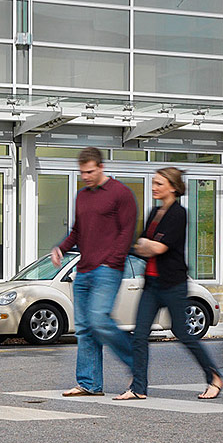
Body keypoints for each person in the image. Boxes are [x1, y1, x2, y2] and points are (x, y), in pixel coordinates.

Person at [119, 167, 223, 400]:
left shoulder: (179, 214)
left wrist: (148, 244)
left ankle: (214, 376)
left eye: (159, 183)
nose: (154, 187)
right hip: (152, 284)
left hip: (173, 283)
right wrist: (146, 245)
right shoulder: (154, 213)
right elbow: (142, 247)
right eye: (154, 183)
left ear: (173, 187)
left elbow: (157, 247)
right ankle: (138, 388)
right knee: (139, 335)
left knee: (182, 332)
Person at [54, 148, 138, 396]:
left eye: (90, 172)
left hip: (107, 270)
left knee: (99, 319)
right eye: (82, 173)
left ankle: (137, 364)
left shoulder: (121, 193)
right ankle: (89, 383)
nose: (86, 177)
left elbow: (126, 232)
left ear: (101, 167)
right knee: (84, 328)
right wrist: (61, 248)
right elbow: (77, 232)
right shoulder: (82, 196)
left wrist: (112, 261)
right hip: (84, 270)